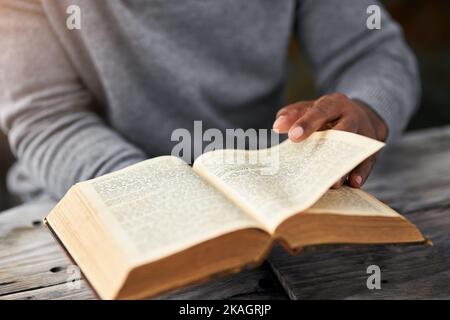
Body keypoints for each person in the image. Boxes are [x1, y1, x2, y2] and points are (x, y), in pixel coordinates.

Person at [0, 0, 419, 204]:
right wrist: (157, 194)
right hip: (82, 196)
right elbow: (47, 118)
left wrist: (368, 111)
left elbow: (373, 52)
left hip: (259, 194)